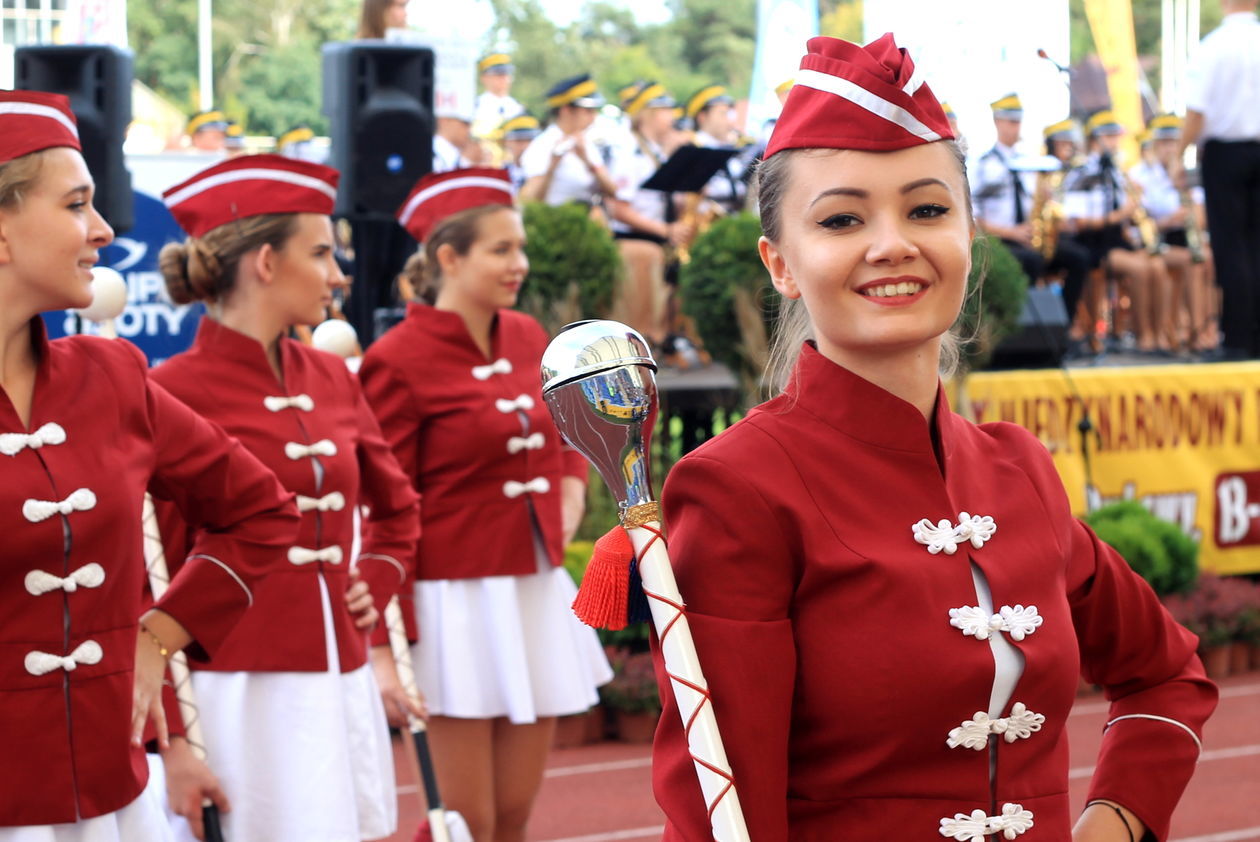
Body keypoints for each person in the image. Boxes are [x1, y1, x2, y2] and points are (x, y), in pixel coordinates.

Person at [649, 35, 1218, 840]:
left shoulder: (1018, 469)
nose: (894, 244)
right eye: (842, 219)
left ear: (969, 235)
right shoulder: (738, 488)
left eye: (927, 210)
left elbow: (1167, 673)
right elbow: (723, 816)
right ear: (781, 265)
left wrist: (1117, 819)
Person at [0, 90, 299, 839]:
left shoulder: (111, 377)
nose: (103, 230)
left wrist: (160, 634)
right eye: (76, 205)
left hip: (109, 793)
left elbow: (261, 511)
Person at [152, 154, 422, 842]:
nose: (339, 275)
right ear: (266, 263)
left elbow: (397, 508)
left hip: (338, 671)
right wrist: (172, 737)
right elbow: (148, 579)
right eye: (322, 253)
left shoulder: (333, 377)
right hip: (232, 691)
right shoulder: (168, 391)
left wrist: (376, 578)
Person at [360, 168, 612, 842]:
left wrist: (571, 483)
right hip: (451, 606)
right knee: (464, 823)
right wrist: (388, 636)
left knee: (513, 818)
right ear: (449, 257)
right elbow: (382, 508)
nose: (519, 264)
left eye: (519, 248)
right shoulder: (396, 358)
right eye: (501, 250)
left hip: (532, 590)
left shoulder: (528, 335)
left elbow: (566, 425)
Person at [1179, 0, 1260, 360]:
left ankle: (1238, 339)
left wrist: (1178, 153)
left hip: (1226, 154)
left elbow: (1197, 111)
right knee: (1255, 245)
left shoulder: (1213, 46)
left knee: (1231, 246)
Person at [971, 95, 1092, 327]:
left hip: (1029, 237)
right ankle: (1024, 329)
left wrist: (1045, 205)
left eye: (1018, 122)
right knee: (1032, 262)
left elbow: (1037, 202)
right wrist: (1011, 232)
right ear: (997, 121)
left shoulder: (1030, 163)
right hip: (1000, 239)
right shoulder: (982, 164)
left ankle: (1062, 327)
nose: (1016, 127)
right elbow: (973, 217)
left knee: (1079, 258)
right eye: (1011, 122)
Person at [1063, 111, 1172, 354]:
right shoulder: (1082, 172)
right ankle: (1144, 335)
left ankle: (1159, 333)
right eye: (1111, 137)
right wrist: (1119, 215)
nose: (1115, 143)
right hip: (1093, 243)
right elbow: (1077, 222)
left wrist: (1135, 210)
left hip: (1118, 240)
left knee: (1157, 265)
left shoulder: (1117, 172)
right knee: (1140, 268)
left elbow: (1129, 215)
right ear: (1096, 139)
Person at [607, 81, 691, 346]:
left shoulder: (655, 149)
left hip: (660, 235)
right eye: (666, 110)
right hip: (637, 238)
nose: (672, 117)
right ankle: (646, 340)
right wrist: (666, 230)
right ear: (649, 114)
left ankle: (667, 338)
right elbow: (618, 209)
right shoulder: (627, 152)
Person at [1130, 114, 1218, 354]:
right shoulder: (1140, 175)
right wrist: (1168, 220)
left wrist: (1184, 192)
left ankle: (1202, 329)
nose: (1169, 148)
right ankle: (1185, 330)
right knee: (1191, 261)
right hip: (1154, 243)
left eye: (1173, 142)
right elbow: (1140, 220)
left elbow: (1200, 218)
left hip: (1182, 240)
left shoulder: (1186, 175)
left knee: (1206, 259)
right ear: (1155, 144)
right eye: (1165, 142)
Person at [519, 74, 618, 207]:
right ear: (566, 110)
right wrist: (552, 167)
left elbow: (613, 191)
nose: (593, 117)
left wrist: (588, 161)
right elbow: (531, 200)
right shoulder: (541, 145)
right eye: (588, 111)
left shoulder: (586, 142)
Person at [686, 85, 749, 214]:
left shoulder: (732, 147)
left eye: (729, 115)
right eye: (722, 114)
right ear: (702, 117)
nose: (729, 122)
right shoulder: (692, 148)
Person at [472, 53, 523, 141]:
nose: (504, 78)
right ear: (484, 78)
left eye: (507, 74)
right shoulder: (475, 105)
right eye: (498, 75)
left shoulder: (517, 106)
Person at [496, 113, 542, 191]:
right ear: (506, 142)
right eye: (519, 141)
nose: (525, 146)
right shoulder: (500, 173)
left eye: (529, 140)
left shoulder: (542, 171)